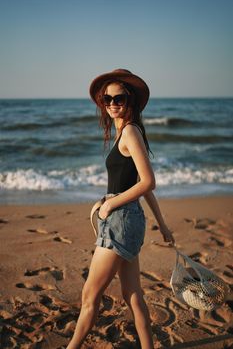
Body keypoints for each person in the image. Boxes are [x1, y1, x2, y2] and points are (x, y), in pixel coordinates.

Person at [67, 69, 175, 349]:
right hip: (126, 219)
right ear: (102, 102)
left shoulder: (129, 131)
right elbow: (140, 184)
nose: (113, 103)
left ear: (131, 101)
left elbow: (149, 181)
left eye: (119, 98)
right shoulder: (125, 132)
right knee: (133, 294)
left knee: (90, 296)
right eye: (107, 98)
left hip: (121, 220)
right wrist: (161, 224)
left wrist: (111, 202)